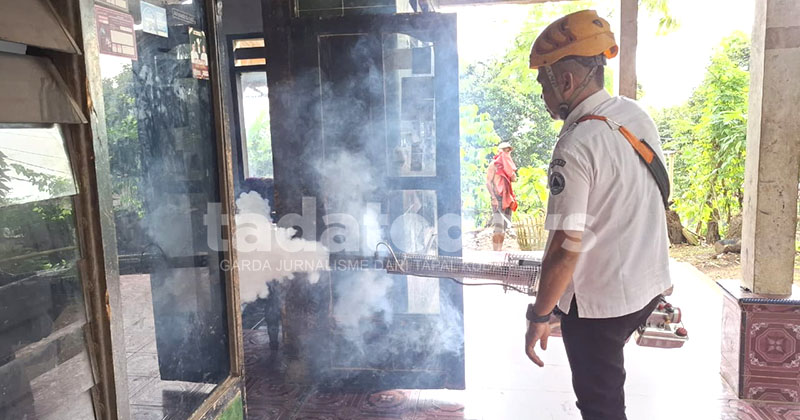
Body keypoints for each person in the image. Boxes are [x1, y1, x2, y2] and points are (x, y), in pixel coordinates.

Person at [522, 10, 672, 420]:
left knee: (600, 405)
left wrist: (539, 315)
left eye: (544, 84)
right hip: (648, 286)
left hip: (601, 307)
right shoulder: (633, 115)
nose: (543, 97)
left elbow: (565, 248)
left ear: (566, 81)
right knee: (607, 388)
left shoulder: (575, 145)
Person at [485, 141, 517, 251]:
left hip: (507, 198)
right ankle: (495, 252)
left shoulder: (509, 165)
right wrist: (493, 198)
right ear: (500, 151)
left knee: (504, 227)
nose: (507, 153)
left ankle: (500, 250)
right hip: (498, 197)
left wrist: (510, 171)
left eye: (508, 151)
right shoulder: (494, 165)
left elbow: (514, 179)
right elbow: (488, 182)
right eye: (504, 150)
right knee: (498, 227)